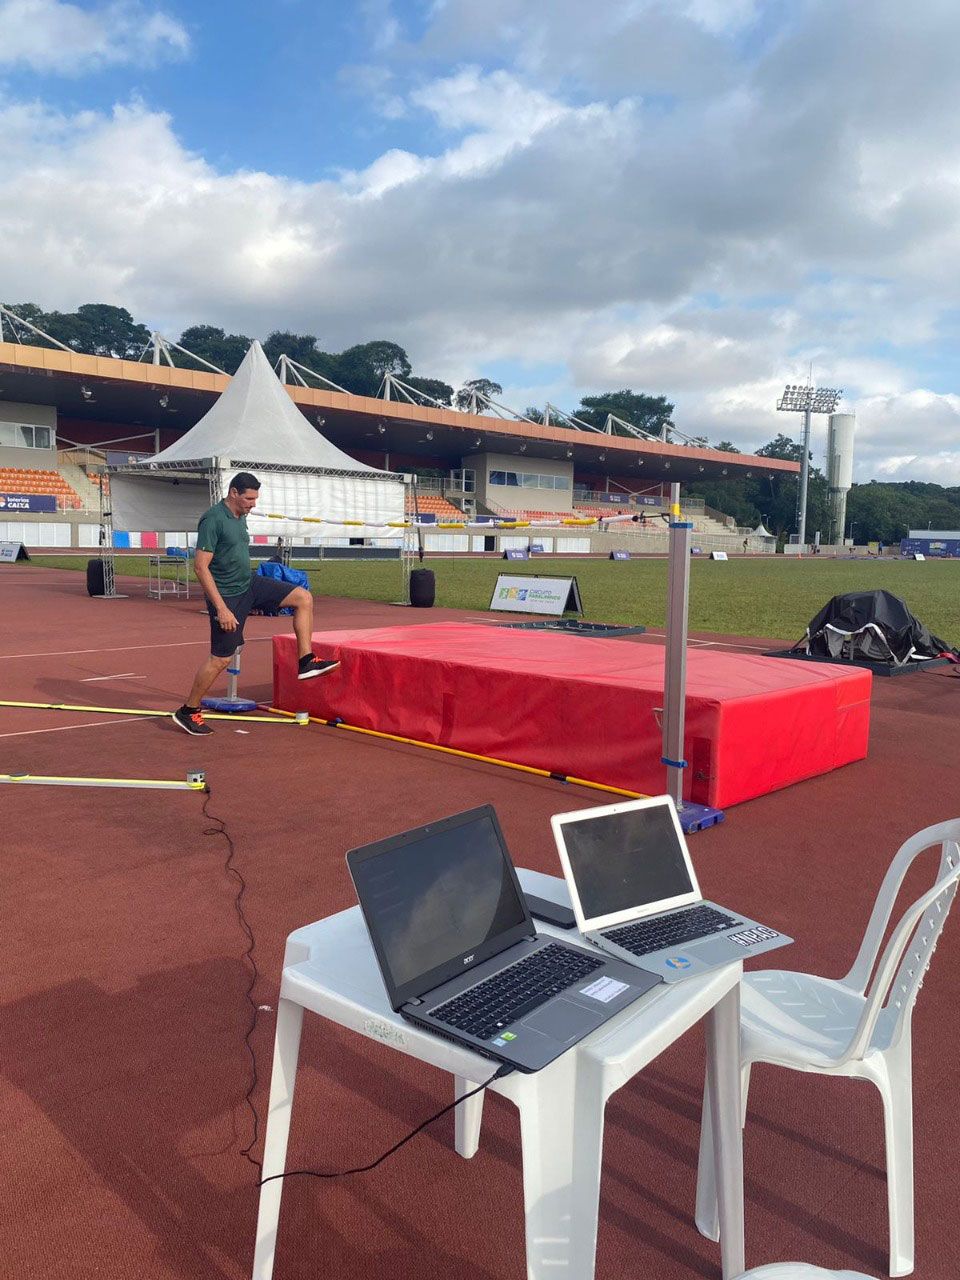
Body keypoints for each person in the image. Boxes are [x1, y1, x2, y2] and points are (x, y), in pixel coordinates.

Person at [173, 472, 337, 736]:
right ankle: (188, 711)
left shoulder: (240, 516)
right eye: (249, 499)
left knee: (303, 598)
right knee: (221, 659)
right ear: (233, 493)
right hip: (227, 596)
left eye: (255, 499)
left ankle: (306, 660)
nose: (253, 504)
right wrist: (222, 609)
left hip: (249, 584)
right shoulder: (213, 519)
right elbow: (201, 568)